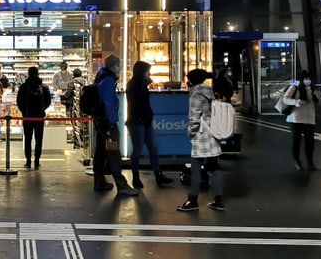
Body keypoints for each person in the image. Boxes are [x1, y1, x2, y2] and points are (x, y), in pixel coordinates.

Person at [177, 68, 224, 211]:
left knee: (196, 168)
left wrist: (190, 132)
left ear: (191, 80)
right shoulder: (209, 92)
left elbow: (194, 118)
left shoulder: (196, 95)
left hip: (201, 135)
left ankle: (193, 200)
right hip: (212, 132)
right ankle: (218, 200)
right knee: (214, 167)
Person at [92, 54, 139, 196]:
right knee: (113, 153)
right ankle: (122, 185)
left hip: (100, 122)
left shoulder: (101, 77)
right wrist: (112, 122)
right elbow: (108, 103)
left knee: (100, 151)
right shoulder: (107, 81)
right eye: (118, 65)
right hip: (107, 124)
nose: (119, 67)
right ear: (113, 66)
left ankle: (99, 181)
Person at [125, 61, 173, 189]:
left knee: (152, 148)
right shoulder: (134, 85)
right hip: (136, 121)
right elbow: (135, 104)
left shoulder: (140, 84)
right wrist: (142, 117)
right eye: (147, 71)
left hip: (144, 121)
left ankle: (158, 174)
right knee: (138, 149)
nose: (149, 73)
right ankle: (136, 176)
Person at [282, 70, 321, 170]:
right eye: (306, 79)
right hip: (295, 118)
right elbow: (285, 99)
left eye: (309, 79)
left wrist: (318, 94)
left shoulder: (314, 89)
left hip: (309, 119)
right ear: (302, 79)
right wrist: (297, 102)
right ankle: (297, 161)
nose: (308, 81)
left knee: (310, 142)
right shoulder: (295, 86)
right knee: (296, 141)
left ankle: (310, 161)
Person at [16, 66, 51, 169]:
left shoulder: (23, 87)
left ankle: (28, 161)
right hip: (39, 117)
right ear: (37, 73)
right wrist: (42, 110)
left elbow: (19, 102)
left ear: (28, 73)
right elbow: (48, 101)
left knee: (27, 138)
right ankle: (37, 161)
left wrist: (24, 112)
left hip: (27, 118)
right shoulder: (43, 87)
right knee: (39, 139)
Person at [63, 68, 87, 148]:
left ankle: (76, 141)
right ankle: (82, 140)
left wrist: (64, 96)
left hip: (73, 104)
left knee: (74, 122)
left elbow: (68, 94)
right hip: (83, 105)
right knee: (82, 123)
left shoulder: (72, 83)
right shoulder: (85, 82)